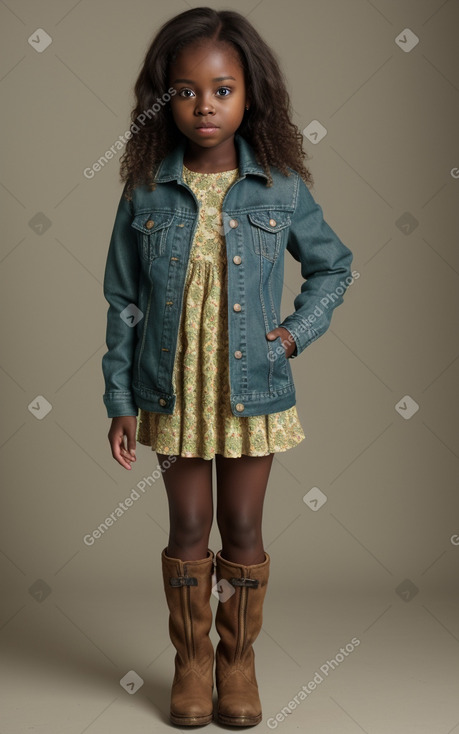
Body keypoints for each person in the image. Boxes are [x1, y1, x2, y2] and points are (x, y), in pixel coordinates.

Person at [101, 7, 354, 727]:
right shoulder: (147, 190)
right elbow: (123, 299)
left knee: (242, 529)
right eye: (184, 90)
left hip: (253, 391)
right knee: (188, 527)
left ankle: (237, 665)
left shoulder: (279, 186)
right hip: (171, 390)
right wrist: (119, 396)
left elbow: (333, 269)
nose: (203, 105)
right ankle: (191, 665)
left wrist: (293, 336)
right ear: (162, 98)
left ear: (250, 96)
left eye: (221, 89)